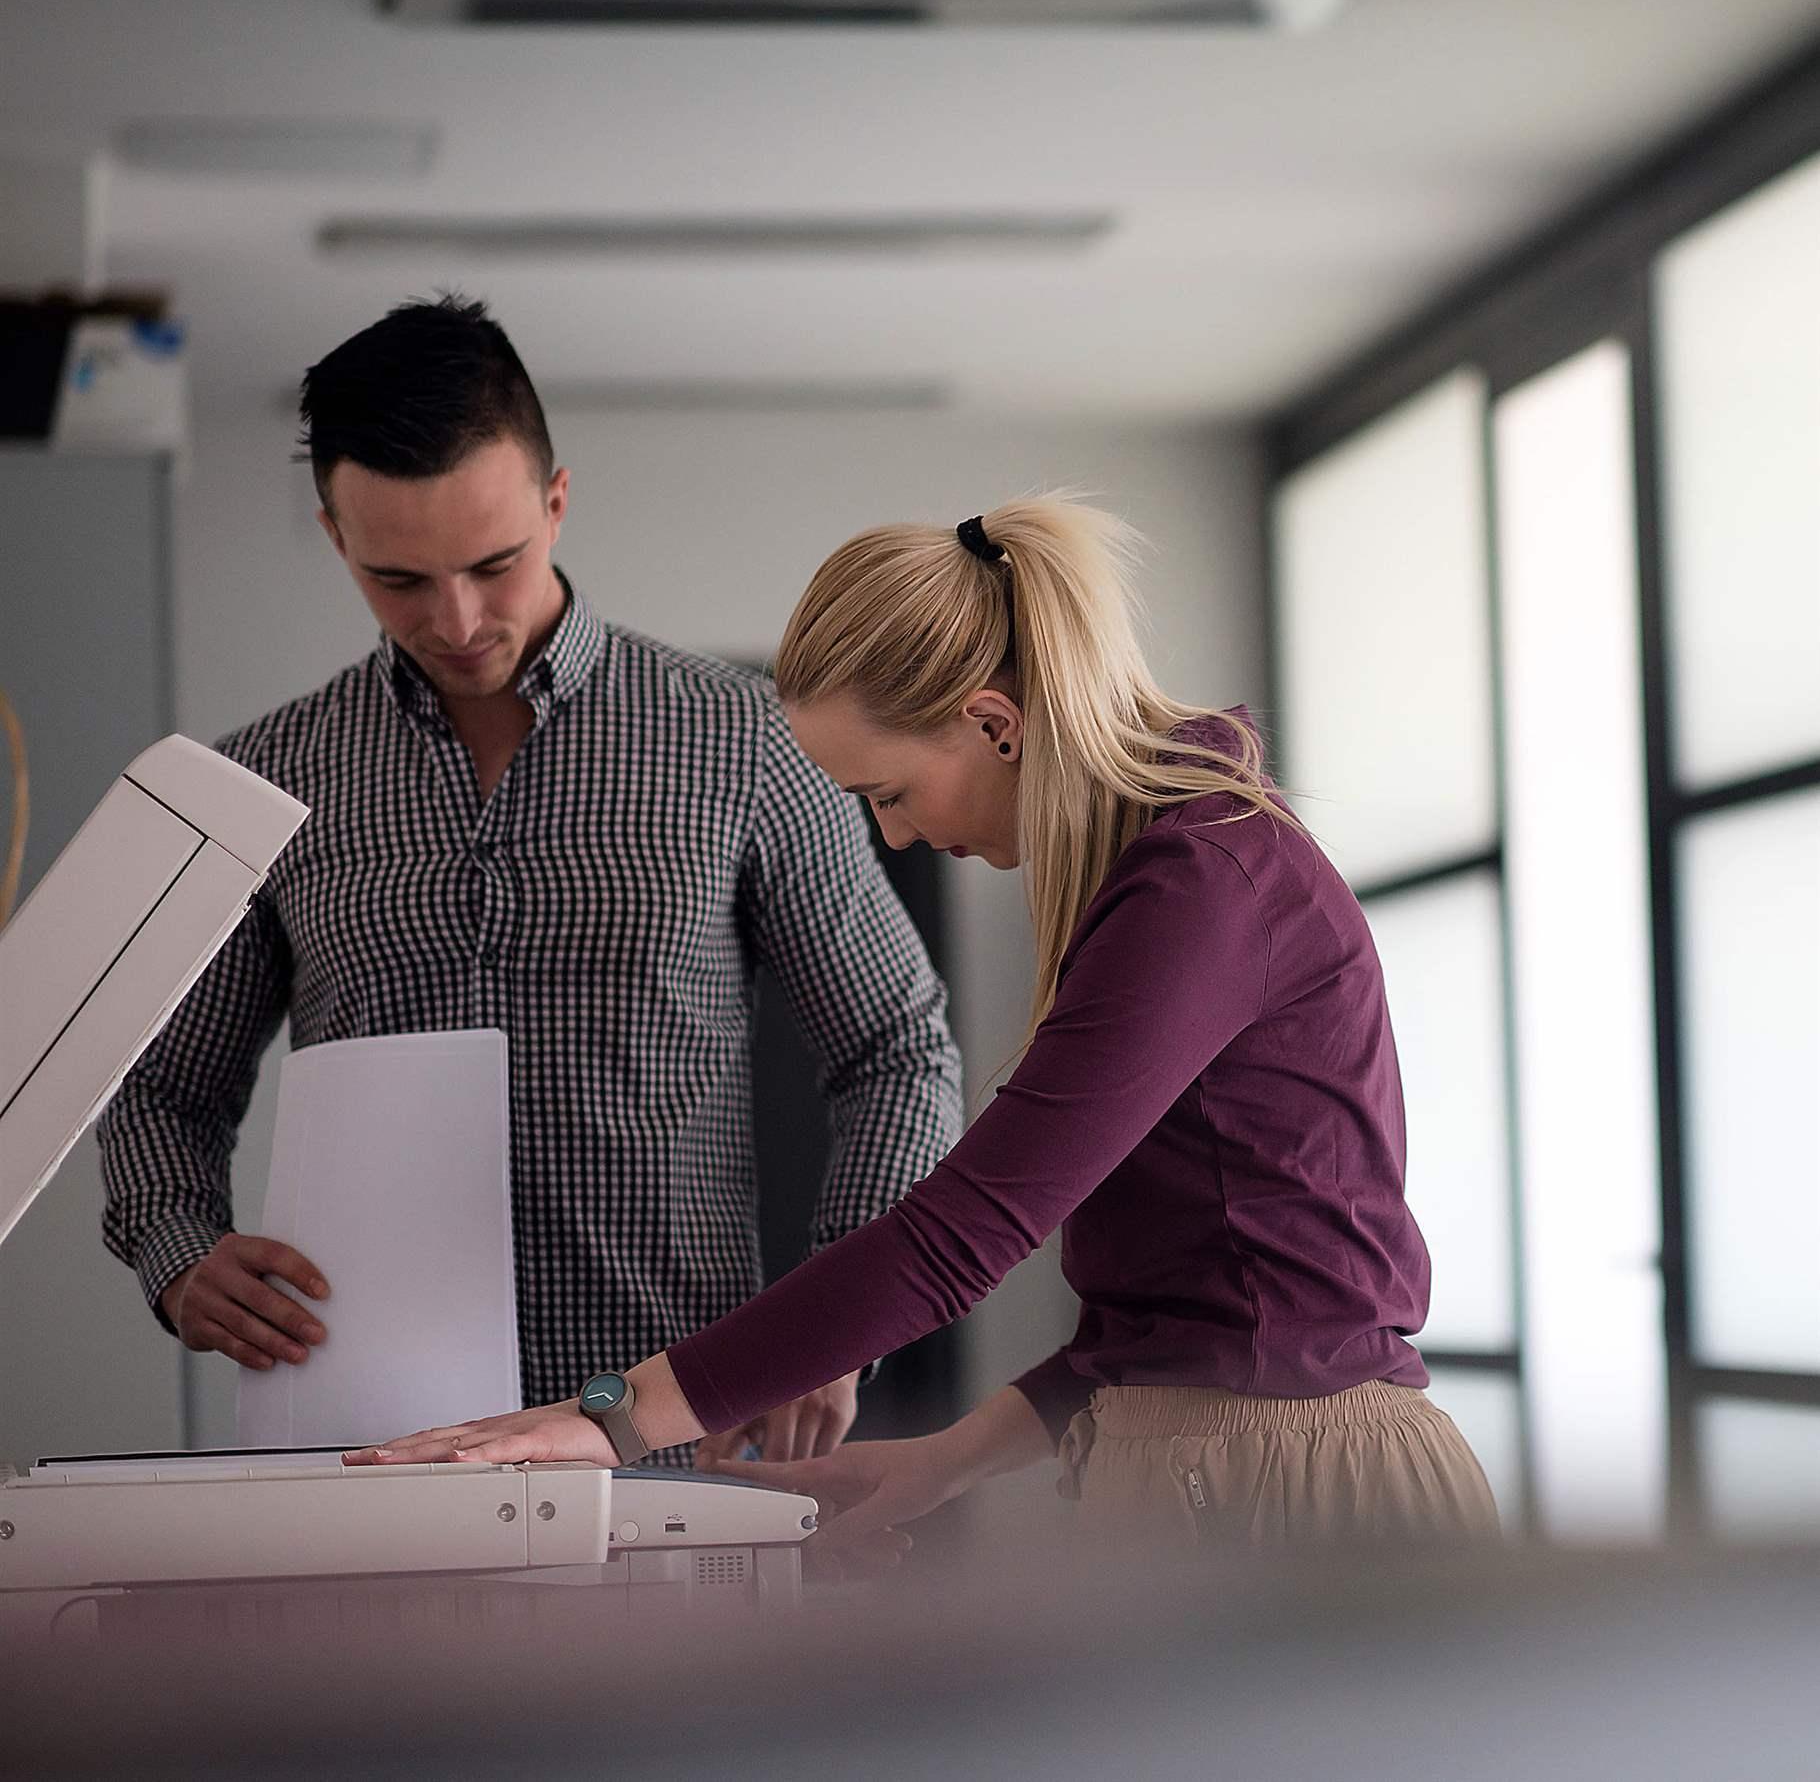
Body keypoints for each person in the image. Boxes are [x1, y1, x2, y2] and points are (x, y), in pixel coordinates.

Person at [352, 495, 1497, 1552]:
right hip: (1223, 1471)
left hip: (1284, 1490)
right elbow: (1183, 1316)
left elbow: (960, 1233)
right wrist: (946, 1460)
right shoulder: (1170, 873)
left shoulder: (1201, 881)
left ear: (992, 721)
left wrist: (613, 1415)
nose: (891, 837)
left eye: (887, 793)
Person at [99, 294, 962, 1469]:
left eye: (492, 563)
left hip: (673, 1447)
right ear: (333, 534)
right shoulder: (267, 781)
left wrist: (833, 1320)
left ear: (556, 502)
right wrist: (180, 1250)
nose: (454, 620)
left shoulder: (742, 742)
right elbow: (157, 1089)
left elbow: (896, 1049)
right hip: (370, 1453)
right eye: (398, 577)